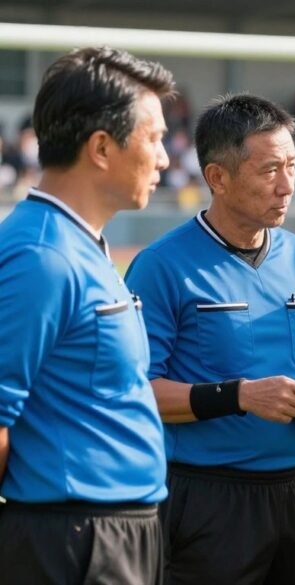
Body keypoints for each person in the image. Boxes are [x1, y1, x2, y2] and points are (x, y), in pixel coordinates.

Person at [125, 94, 295, 584]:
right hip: (207, 498)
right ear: (218, 178)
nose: (287, 185)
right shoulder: (162, 266)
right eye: (270, 170)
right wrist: (241, 396)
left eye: (292, 165)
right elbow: (137, 393)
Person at [0, 46, 173, 584]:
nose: (165, 158)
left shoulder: (82, 244)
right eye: (155, 138)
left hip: (115, 531)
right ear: (101, 147)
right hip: (73, 541)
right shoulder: (40, 256)